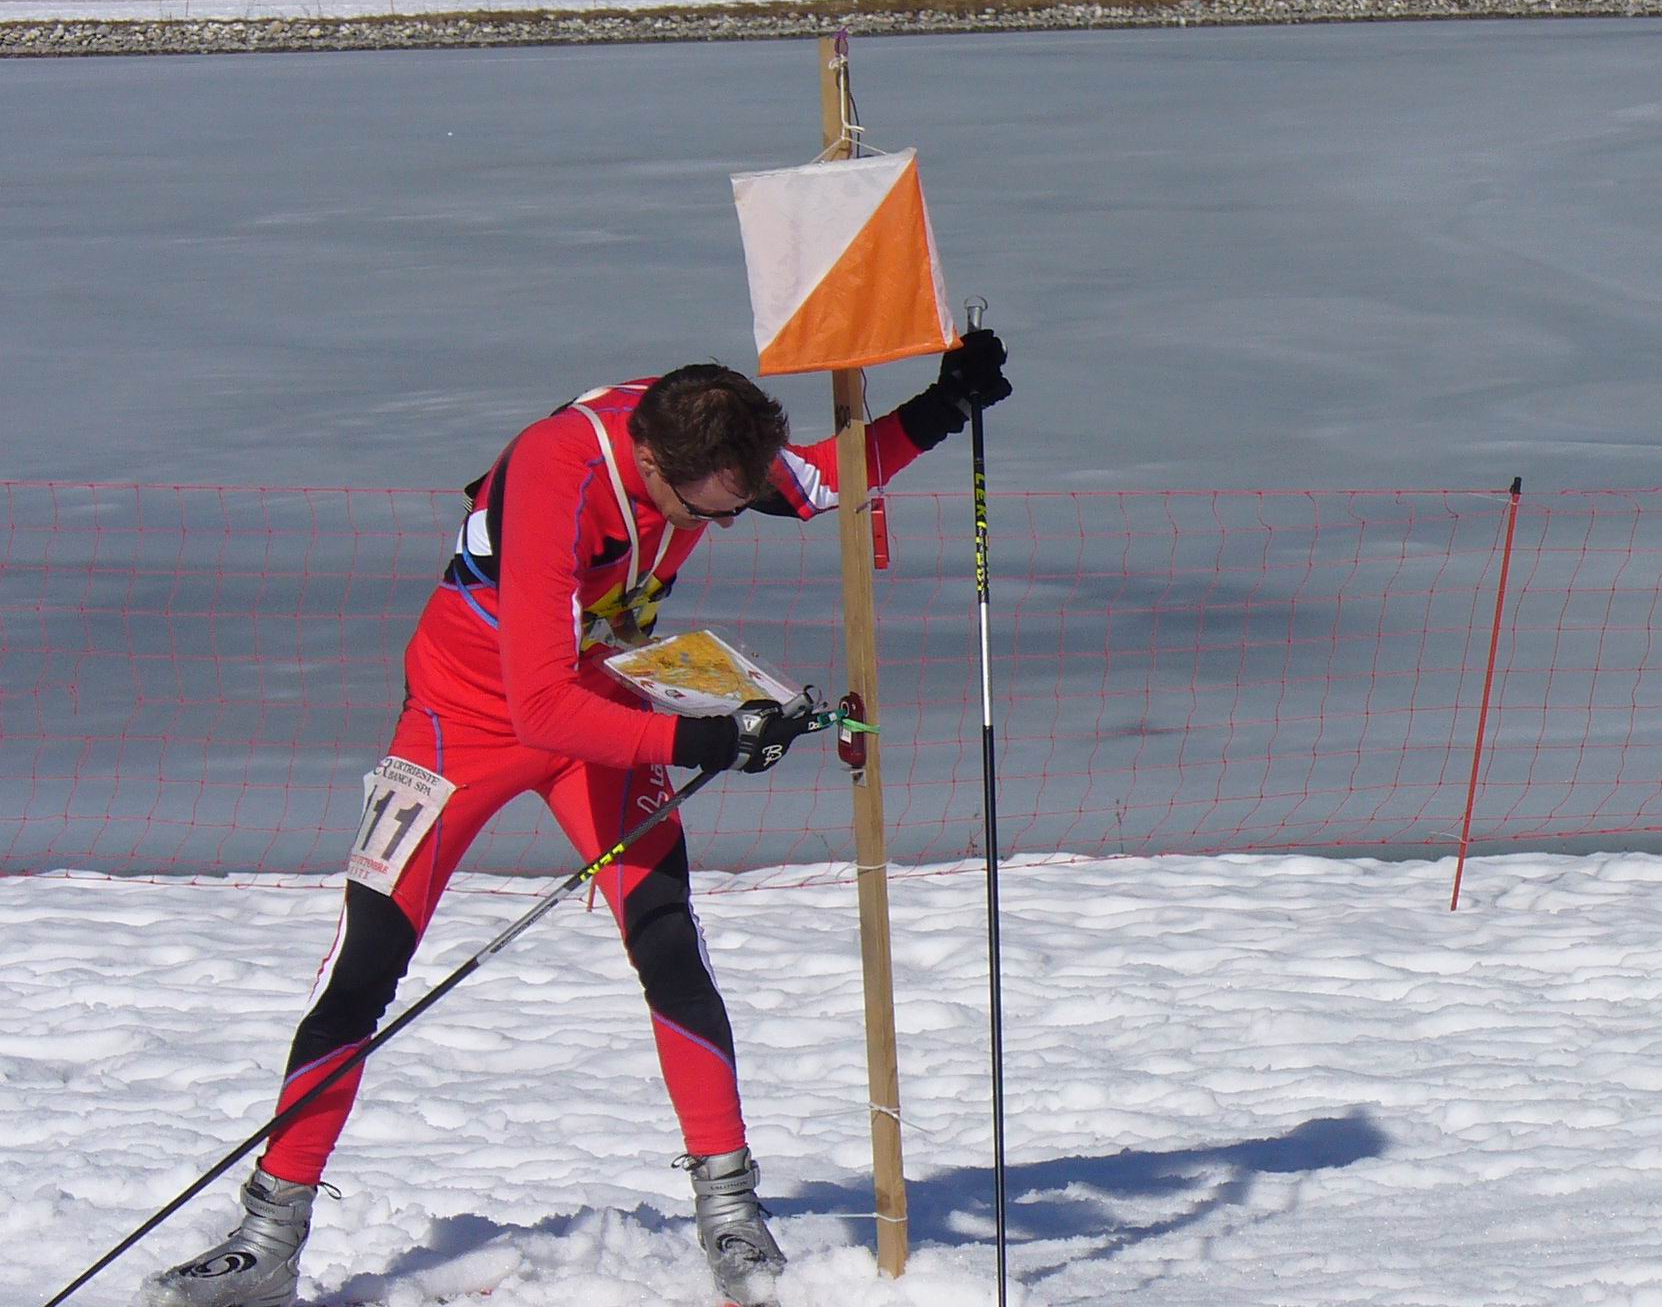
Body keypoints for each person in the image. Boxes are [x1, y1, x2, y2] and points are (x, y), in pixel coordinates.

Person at [138, 338, 1014, 1307]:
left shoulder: (700, 430)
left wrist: (941, 407)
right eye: (709, 512)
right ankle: (267, 1237)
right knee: (364, 966)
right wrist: (708, 738)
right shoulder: (555, 472)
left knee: (669, 942)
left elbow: (807, 483)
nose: (726, 523)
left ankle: (731, 1212)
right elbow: (539, 709)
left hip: (604, 709)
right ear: (653, 465)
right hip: (465, 721)